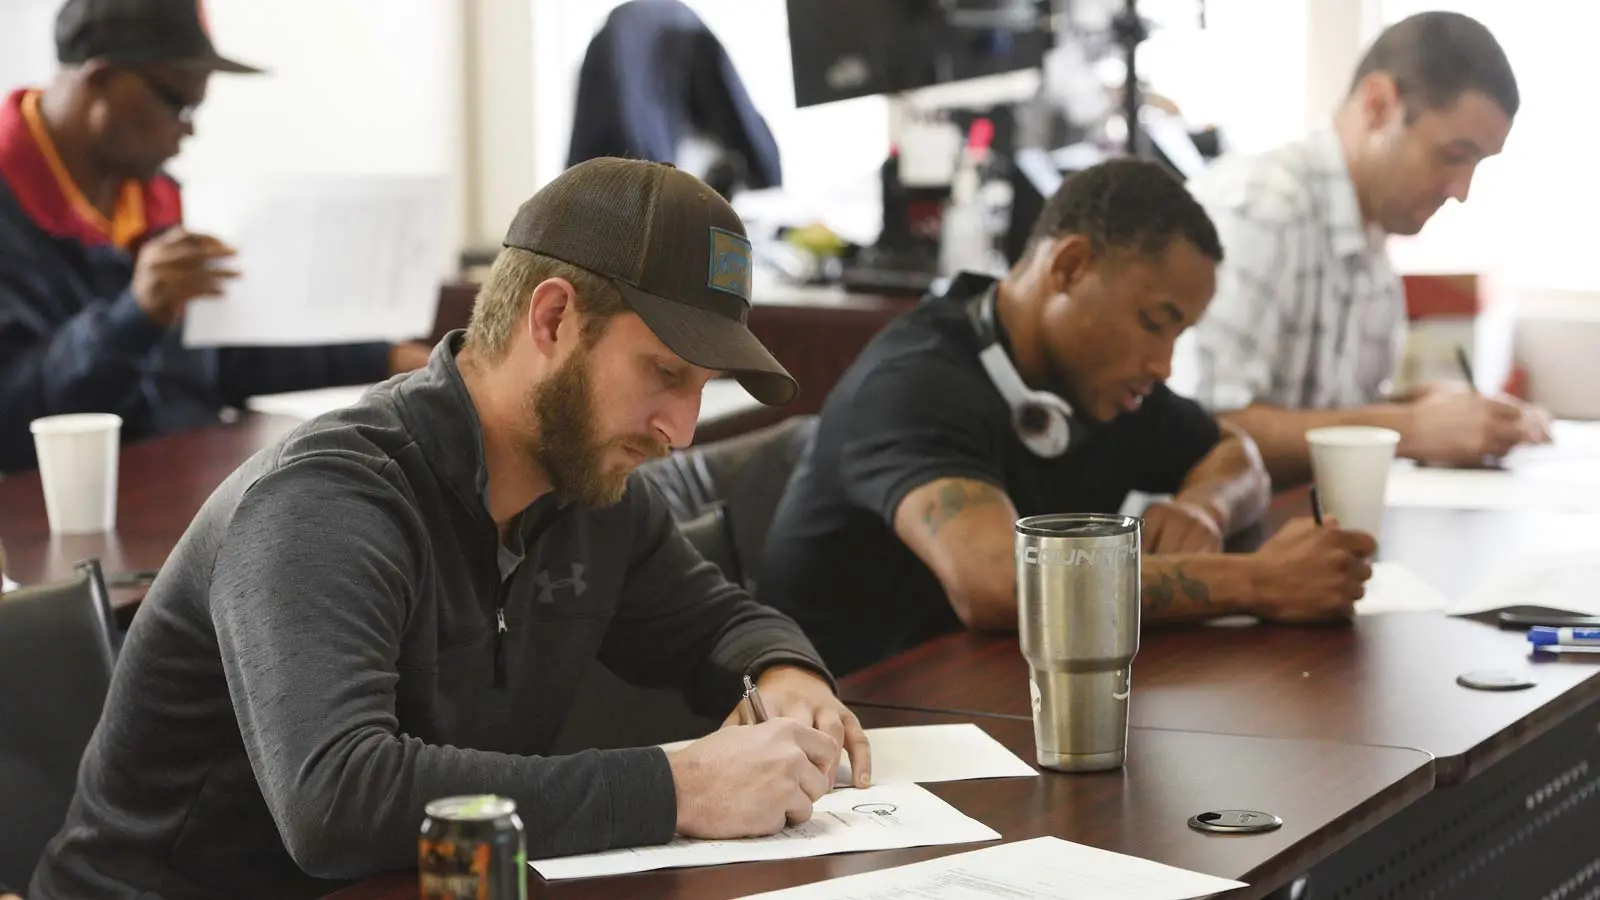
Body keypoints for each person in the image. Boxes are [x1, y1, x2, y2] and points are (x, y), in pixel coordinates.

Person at [29, 158, 871, 899]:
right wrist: (679, 786)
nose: (681, 429)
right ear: (551, 320)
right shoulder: (326, 501)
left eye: (702, 387)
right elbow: (334, 799)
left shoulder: (589, 491)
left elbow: (720, 622)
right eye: (664, 373)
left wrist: (786, 671)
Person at [759, 159, 1377, 677]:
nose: (1163, 364)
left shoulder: (1098, 377)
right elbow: (1001, 584)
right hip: (861, 730)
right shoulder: (911, 384)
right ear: (1070, 267)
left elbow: (1233, 450)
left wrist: (1201, 508)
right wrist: (1258, 583)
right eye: (1154, 322)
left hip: (992, 696)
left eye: (1179, 334)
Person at [0, 0, 430, 474]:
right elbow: (13, 416)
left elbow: (221, 356)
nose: (188, 129)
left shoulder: (157, 198)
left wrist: (384, 356)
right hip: (61, 517)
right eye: (179, 102)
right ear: (101, 80)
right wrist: (135, 318)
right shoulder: (11, 212)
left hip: (185, 488)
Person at [1176, 11, 1549, 486]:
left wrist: (1434, 414)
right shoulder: (1260, 208)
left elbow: (1325, 416)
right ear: (1377, 104)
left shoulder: (1371, 239)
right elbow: (1203, 427)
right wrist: (1409, 429)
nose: (1461, 190)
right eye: (1454, 156)